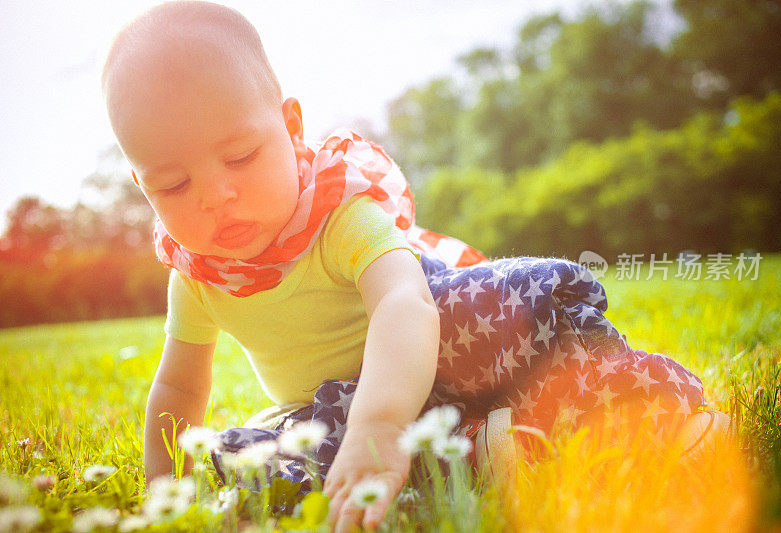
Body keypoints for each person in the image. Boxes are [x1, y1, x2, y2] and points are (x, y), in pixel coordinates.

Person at [101, 2, 729, 531]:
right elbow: (179, 390)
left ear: (290, 127)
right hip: (339, 411)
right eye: (173, 184)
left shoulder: (338, 213)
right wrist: (165, 491)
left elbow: (406, 306)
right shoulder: (199, 277)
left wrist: (381, 425)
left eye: (239, 156)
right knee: (260, 466)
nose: (214, 196)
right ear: (141, 185)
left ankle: (649, 406)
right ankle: (486, 450)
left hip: (449, 342)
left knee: (517, 304)